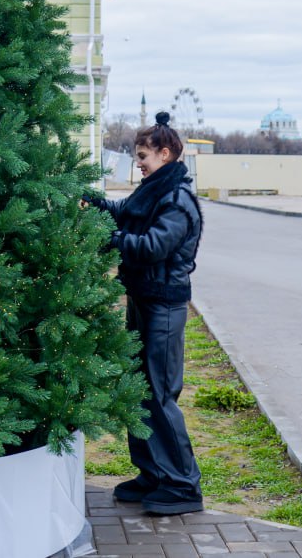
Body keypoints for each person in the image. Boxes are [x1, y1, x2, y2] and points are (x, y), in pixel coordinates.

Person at [84, 111, 204, 515]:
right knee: (139, 390)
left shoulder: (178, 200)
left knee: (159, 392)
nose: (138, 162)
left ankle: (183, 485)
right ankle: (153, 474)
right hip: (142, 298)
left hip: (164, 305)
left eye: (143, 156)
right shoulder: (152, 191)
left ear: (165, 154)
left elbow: (153, 246)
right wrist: (97, 206)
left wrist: (111, 238)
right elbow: (125, 211)